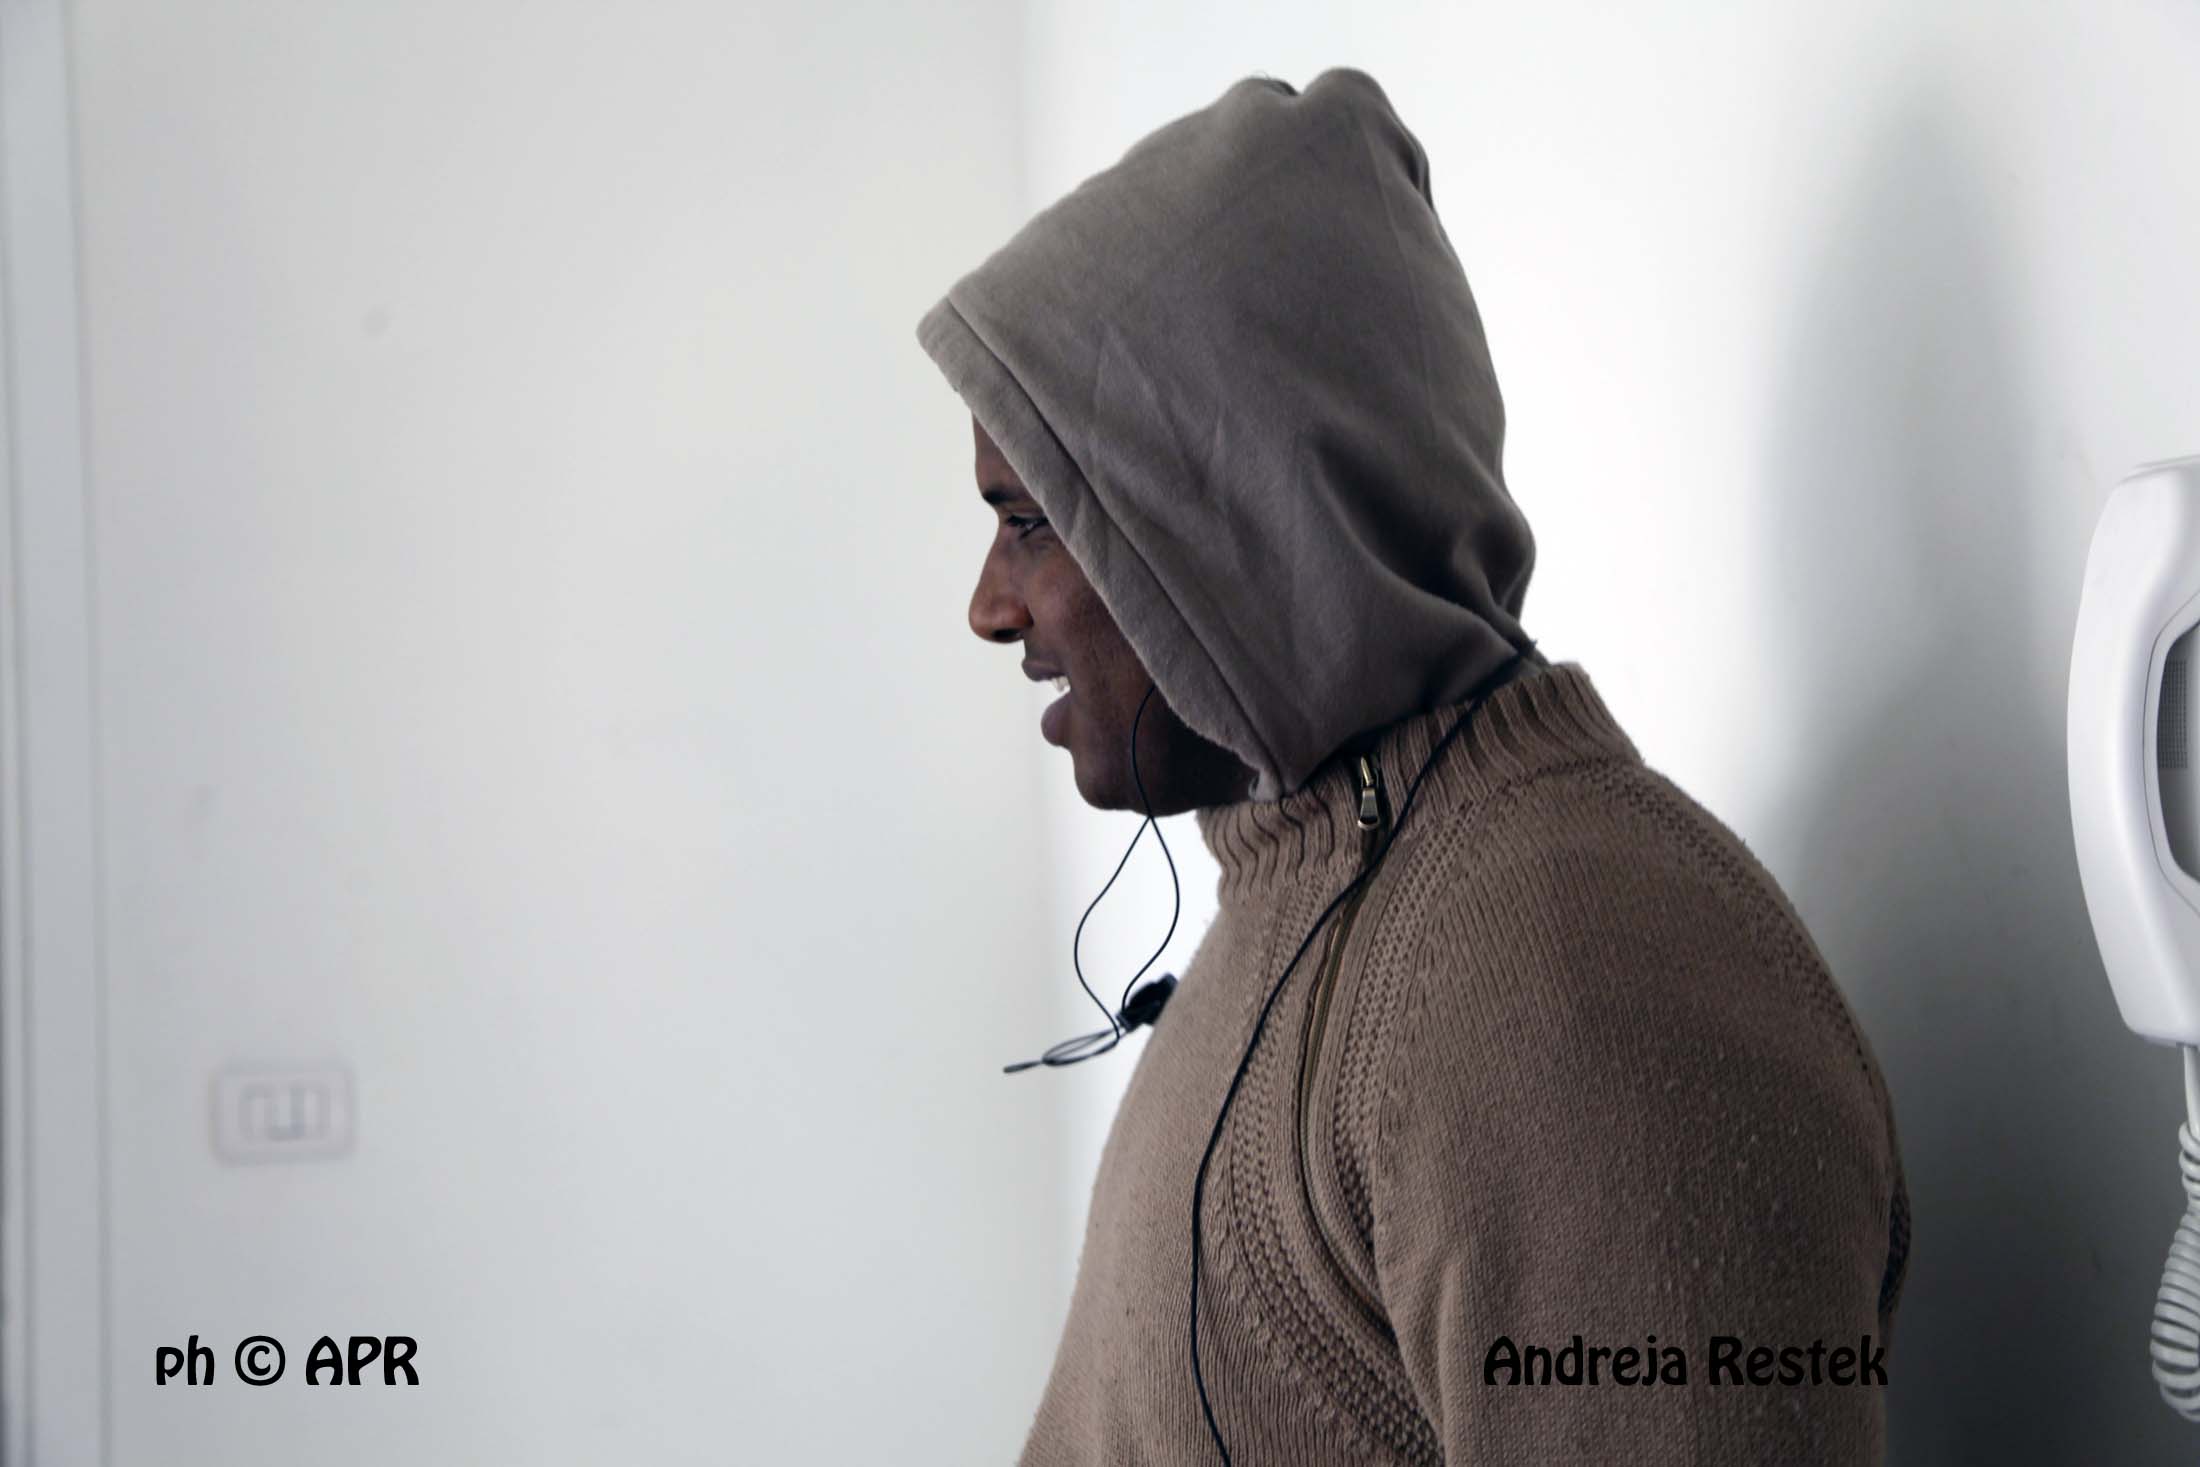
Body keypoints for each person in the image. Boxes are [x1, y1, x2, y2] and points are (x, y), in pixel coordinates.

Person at [917, 66, 1910, 1466]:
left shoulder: (1575, 974)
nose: (988, 607)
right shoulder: (1309, 905)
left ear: (1230, 510)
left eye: (1029, 522)